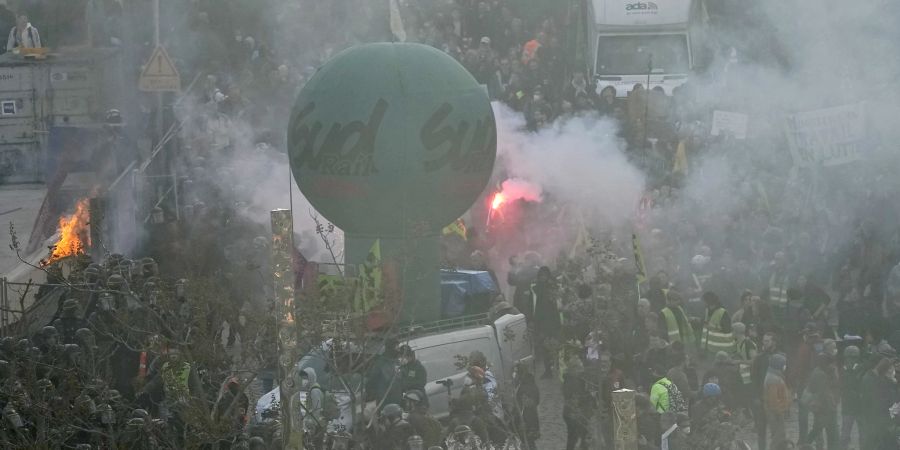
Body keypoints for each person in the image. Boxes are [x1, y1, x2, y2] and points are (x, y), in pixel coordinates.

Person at [860, 358, 898, 450]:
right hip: (880, 421)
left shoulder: (882, 380)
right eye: (890, 369)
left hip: (883, 420)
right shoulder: (873, 381)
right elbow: (880, 403)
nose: (892, 371)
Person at [802, 353, 838, 450]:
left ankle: (805, 445)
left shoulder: (817, 371)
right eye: (830, 363)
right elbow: (823, 393)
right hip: (824, 409)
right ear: (825, 364)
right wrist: (832, 407)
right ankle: (805, 446)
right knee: (824, 431)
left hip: (820, 409)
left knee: (817, 430)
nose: (833, 366)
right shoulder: (820, 375)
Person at [531, 266, 561, 378]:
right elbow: (535, 306)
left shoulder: (553, 288)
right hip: (541, 322)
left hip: (553, 322)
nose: (543, 277)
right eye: (541, 275)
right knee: (544, 348)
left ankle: (557, 367)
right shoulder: (535, 289)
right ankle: (548, 370)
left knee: (556, 346)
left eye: (545, 275)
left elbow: (557, 305)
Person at [562, 354, 592, 450]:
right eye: (579, 368)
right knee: (577, 437)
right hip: (574, 413)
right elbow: (575, 398)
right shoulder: (571, 381)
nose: (581, 370)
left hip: (575, 413)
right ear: (573, 369)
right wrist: (589, 396)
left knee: (577, 437)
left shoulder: (576, 379)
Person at [839, 345, 864, 450]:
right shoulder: (841, 369)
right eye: (849, 357)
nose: (851, 360)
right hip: (847, 406)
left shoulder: (861, 369)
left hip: (860, 406)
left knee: (863, 432)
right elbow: (843, 385)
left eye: (853, 357)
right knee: (845, 433)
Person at [764, 353, 790, 450]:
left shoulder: (774, 376)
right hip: (775, 413)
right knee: (777, 437)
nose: (785, 366)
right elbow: (773, 400)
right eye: (784, 364)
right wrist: (779, 412)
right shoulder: (773, 379)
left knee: (780, 436)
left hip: (777, 412)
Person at [512, 362, 540, 449]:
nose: (514, 375)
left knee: (528, 442)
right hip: (529, 419)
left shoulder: (525, 387)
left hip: (526, 420)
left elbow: (526, 404)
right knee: (529, 442)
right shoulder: (527, 383)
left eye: (515, 373)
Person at [701, 292, 734, 357]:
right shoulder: (707, 311)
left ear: (709, 301)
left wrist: (714, 327)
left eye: (704, 301)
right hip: (709, 349)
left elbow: (727, 330)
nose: (703, 303)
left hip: (722, 349)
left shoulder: (723, 312)